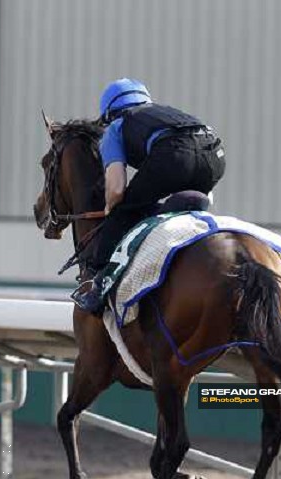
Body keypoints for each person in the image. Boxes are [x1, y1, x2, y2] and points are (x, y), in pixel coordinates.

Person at [74, 78, 226, 314]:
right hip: (215, 157)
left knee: (122, 212)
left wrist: (110, 208)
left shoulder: (116, 126)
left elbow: (115, 188)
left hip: (175, 156)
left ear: (109, 114)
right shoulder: (164, 113)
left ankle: (98, 287)